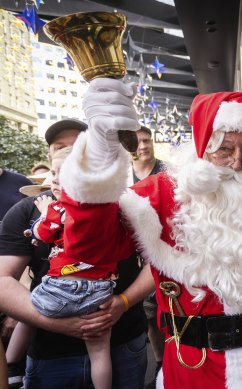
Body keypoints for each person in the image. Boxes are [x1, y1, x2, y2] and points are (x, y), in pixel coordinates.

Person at [51, 80, 242, 388]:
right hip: (190, 366)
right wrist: (99, 155)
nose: (237, 162)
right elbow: (90, 247)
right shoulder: (161, 194)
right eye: (223, 149)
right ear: (202, 148)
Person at [0, 118, 148, 389]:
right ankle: (12, 366)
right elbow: (2, 282)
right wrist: (58, 323)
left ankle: (11, 363)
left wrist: (123, 302)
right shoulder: (25, 209)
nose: (70, 155)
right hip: (51, 355)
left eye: (79, 147)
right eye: (61, 147)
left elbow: (158, 264)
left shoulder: (128, 204)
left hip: (124, 341)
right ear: (50, 157)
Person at [27, 146, 118, 389]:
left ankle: (13, 362)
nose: (54, 179)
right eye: (53, 173)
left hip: (61, 287)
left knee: (27, 309)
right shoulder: (112, 206)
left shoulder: (57, 208)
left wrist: (44, 213)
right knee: (100, 352)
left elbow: (43, 233)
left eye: (61, 173)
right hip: (100, 289)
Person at [130, 125, 166, 388]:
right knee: (148, 314)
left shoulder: (169, 171)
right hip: (133, 258)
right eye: (138, 141)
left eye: (147, 139)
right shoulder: (121, 176)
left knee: (166, 310)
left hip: (163, 254)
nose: (143, 145)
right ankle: (160, 360)